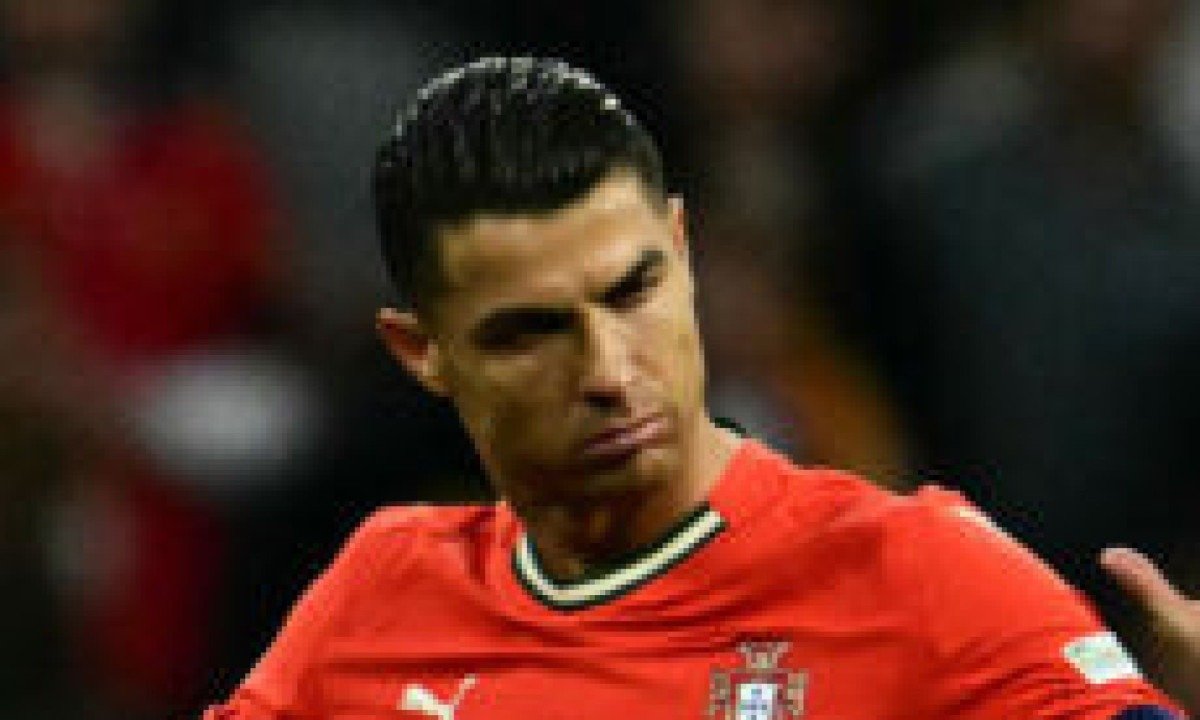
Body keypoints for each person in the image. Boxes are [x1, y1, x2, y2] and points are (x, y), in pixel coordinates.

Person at [203, 57, 1182, 719]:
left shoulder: (916, 576)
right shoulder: (381, 596)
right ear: (423, 354)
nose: (609, 372)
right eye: (529, 333)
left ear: (682, 247)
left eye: (634, 291)